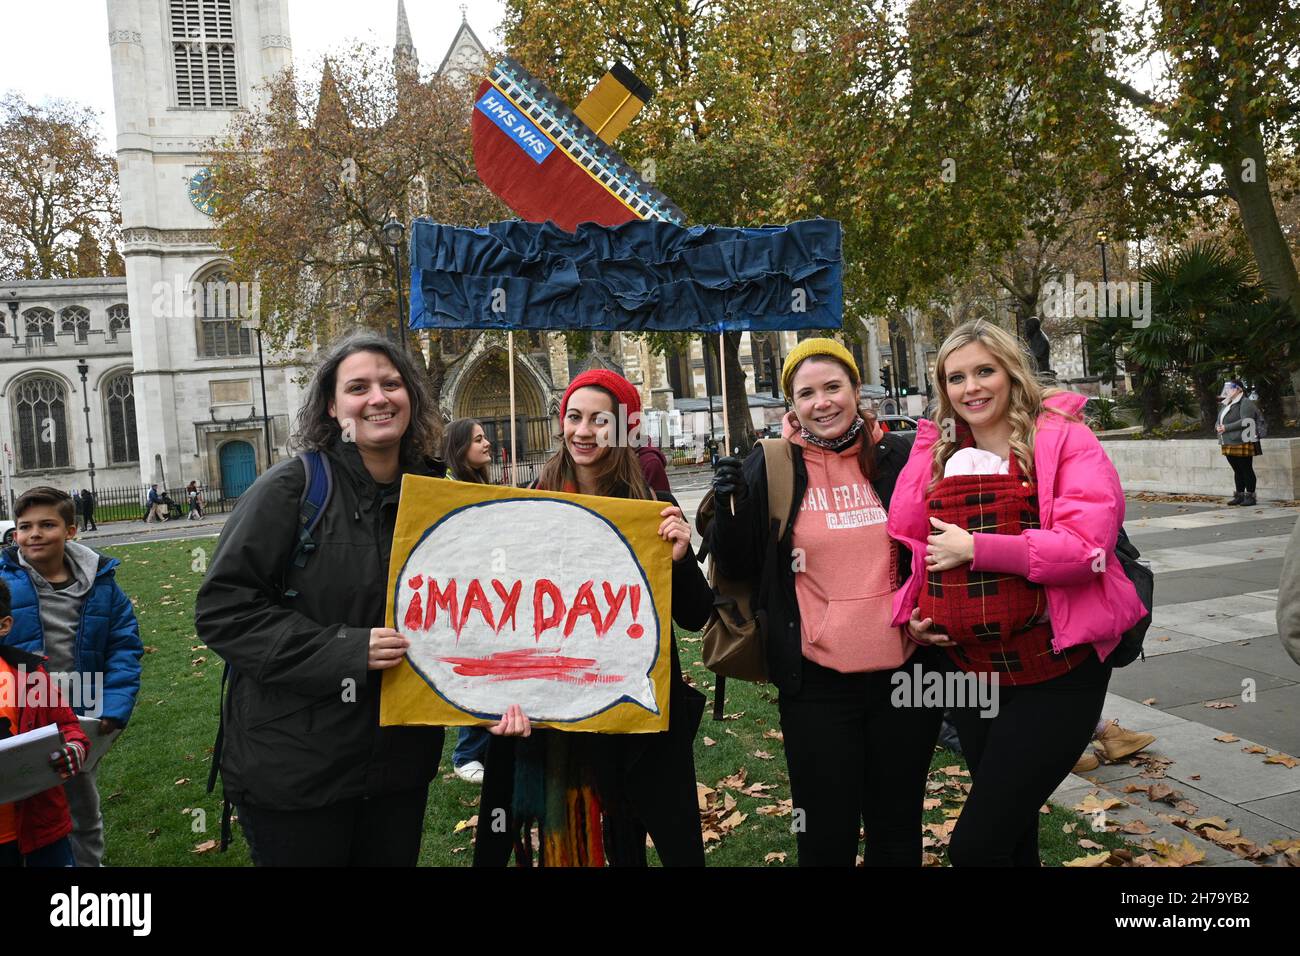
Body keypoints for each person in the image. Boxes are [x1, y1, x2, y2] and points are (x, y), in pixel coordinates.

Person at [887, 319, 1146, 867]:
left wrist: (977, 549)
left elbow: (1085, 549)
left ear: (1012, 374)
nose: (971, 388)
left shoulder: (1065, 438)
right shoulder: (938, 451)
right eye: (956, 378)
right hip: (973, 670)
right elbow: (915, 545)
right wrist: (914, 614)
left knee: (976, 848)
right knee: (1011, 836)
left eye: (985, 371)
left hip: (1059, 673)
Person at [195, 331, 447, 867]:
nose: (378, 397)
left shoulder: (435, 497)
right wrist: (343, 650)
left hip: (398, 768)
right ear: (333, 407)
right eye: (358, 387)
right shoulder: (289, 489)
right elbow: (223, 611)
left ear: (411, 397)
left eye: (392, 383)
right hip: (295, 769)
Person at [709, 338, 941, 867]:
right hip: (816, 683)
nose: (823, 402)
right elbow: (739, 566)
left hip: (905, 676)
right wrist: (731, 509)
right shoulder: (772, 464)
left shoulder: (900, 456)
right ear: (792, 404)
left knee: (897, 828)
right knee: (825, 836)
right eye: (806, 392)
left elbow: (934, 544)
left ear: (856, 390)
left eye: (833, 387)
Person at [473, 369, 712, 867]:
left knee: (629, 826)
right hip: (554, 708)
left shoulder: (653, 509)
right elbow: (507, 608)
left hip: (627, 706)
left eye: (599, 420)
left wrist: (682, 558)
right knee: (567, 826)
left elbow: (695, 615)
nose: (583, 431)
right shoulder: (533, 504)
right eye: (574, 417)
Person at [0, 486, 143, 866]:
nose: (33, 534)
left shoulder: (102, 584)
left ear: (72, 530)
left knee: (81, 806)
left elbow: (125, 647)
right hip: (22, 710)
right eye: (24, 526)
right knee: (18, 807)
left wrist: (113, 707)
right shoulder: (4, 582)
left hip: (81, 710)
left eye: (47, 524)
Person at [0, 586, 92, 868]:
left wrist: (74, 748)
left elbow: (69, 726)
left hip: (38, 827)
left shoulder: (27, 675)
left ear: (3, 625)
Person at [441, 418, 494, 784]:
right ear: (460, 448)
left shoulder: (476, 483)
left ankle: (486, 746)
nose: (487, 443)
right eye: (478, 439)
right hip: (465, 596)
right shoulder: (449, 487)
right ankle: (466, 753)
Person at [1216, 380, 1262, 506]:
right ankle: (1239, 496)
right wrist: (1218, 427)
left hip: (1242, 440)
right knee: (1237, 469)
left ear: (1239, 389)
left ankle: (1251, 496)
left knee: (1246, 468)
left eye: (1230, 388)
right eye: (1226, 388)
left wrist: (1226, 427)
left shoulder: (1245, 402)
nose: (1227, 391)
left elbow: (1246, 420)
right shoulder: (1227, 403)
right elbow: (1219, 419)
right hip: (1227, 440)